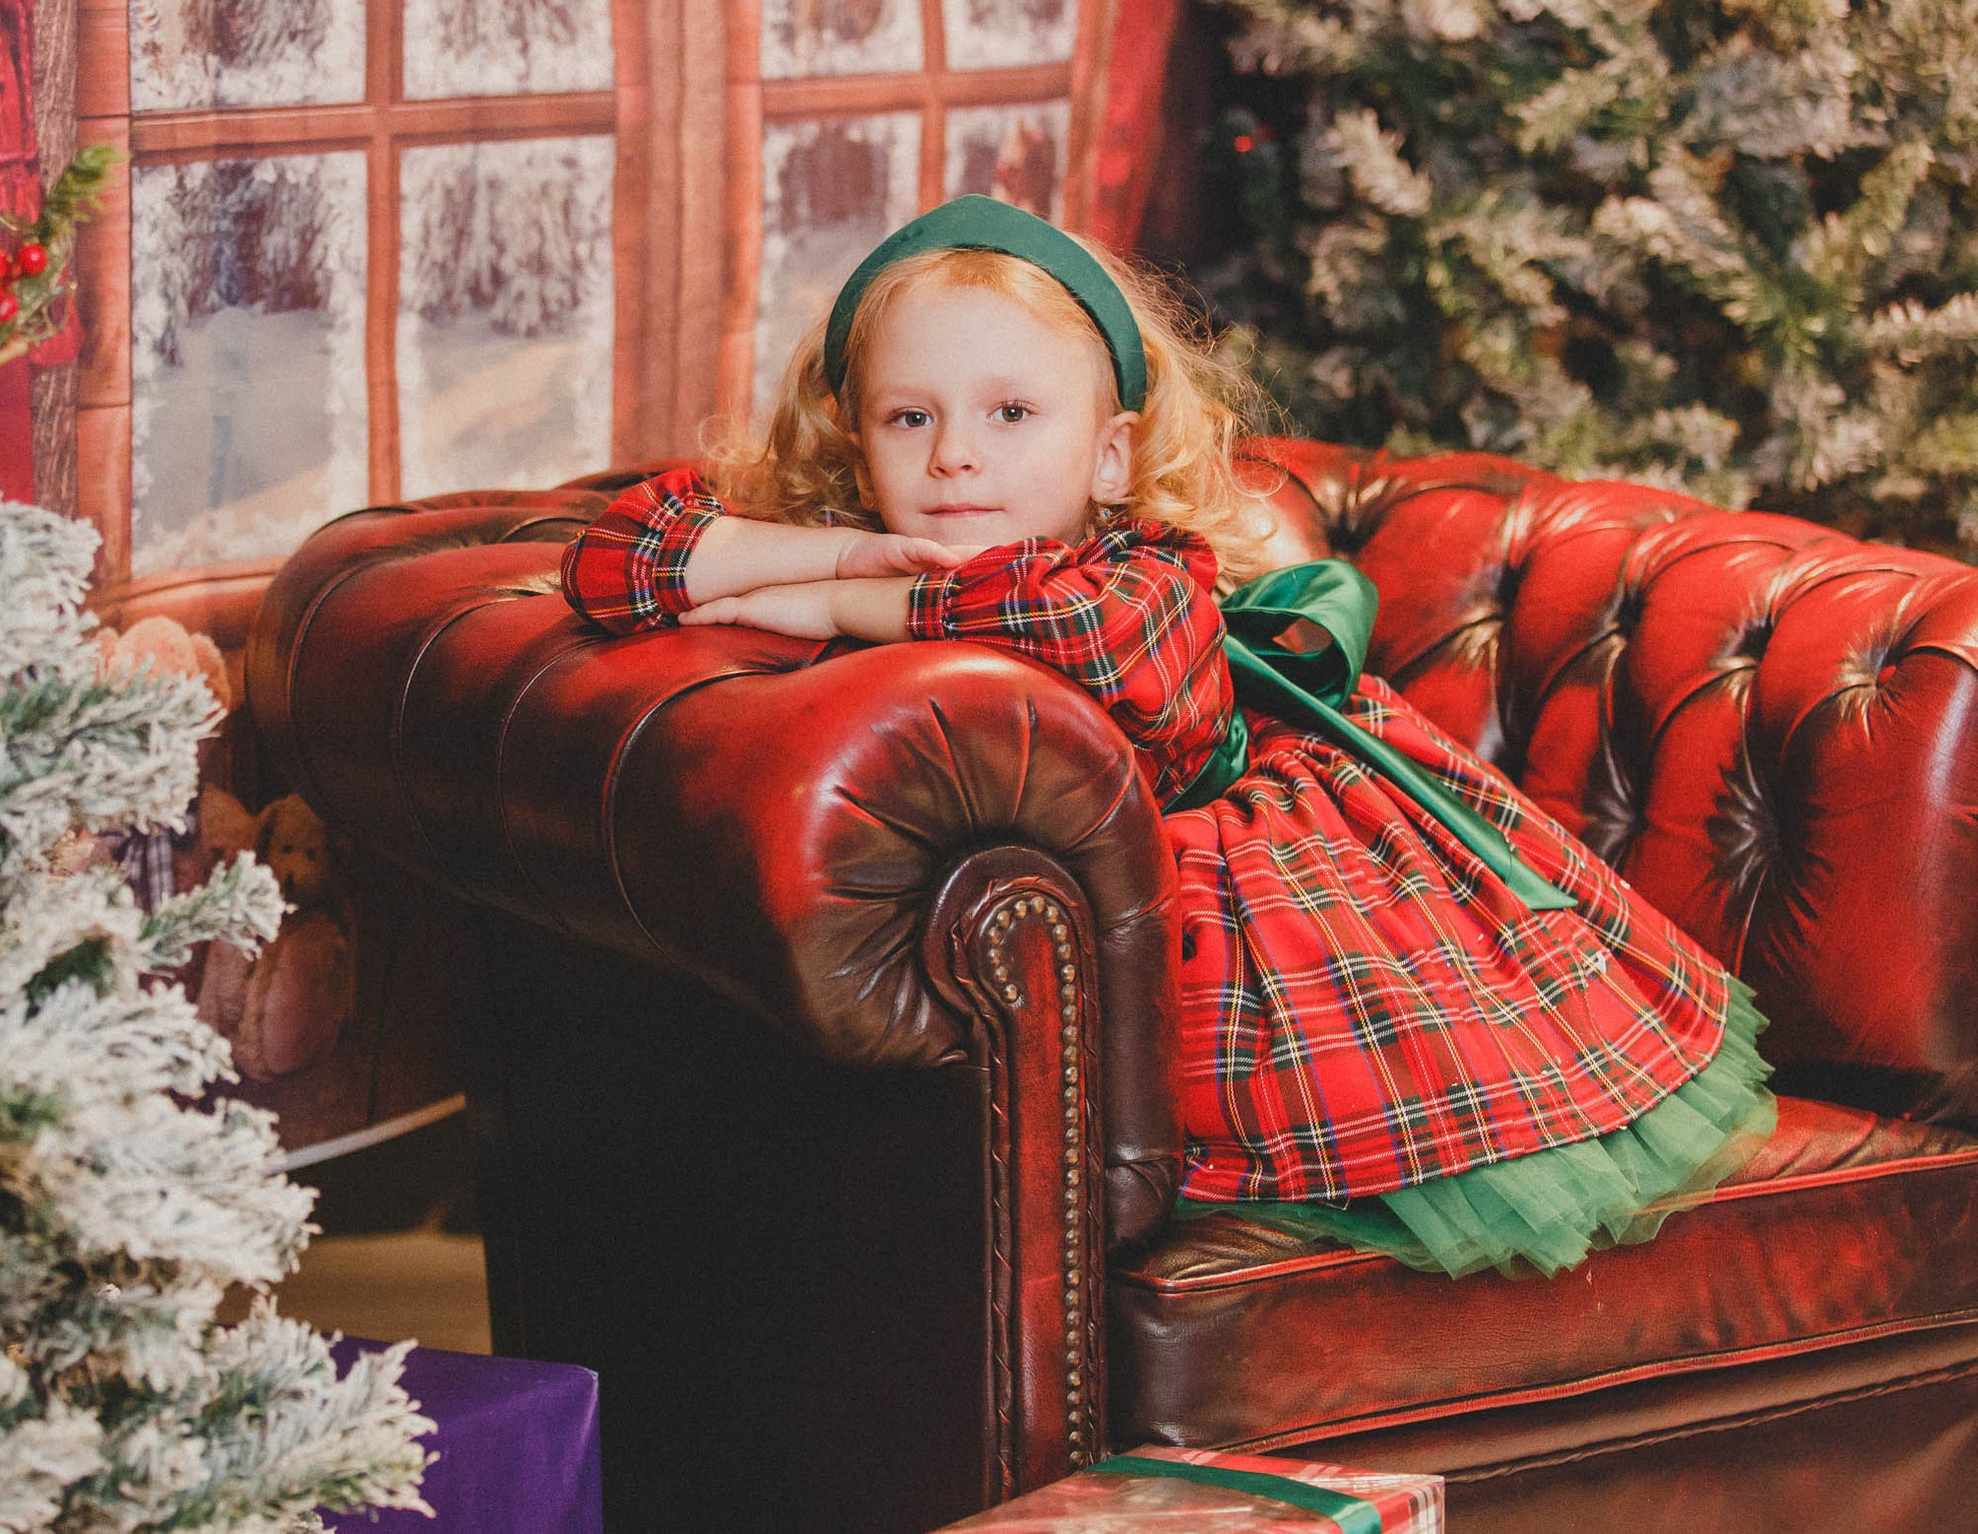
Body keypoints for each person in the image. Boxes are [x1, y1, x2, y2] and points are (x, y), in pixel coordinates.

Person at [557, 194, 1774, 1278]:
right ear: (856, 440)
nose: (955, 454)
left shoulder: (1143, 577)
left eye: (1010, 411)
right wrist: (833, 548)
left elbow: (1072, 635)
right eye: (907, 416)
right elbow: (612, 562)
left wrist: (838, 600)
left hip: (1268, 882)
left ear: (1109, 454)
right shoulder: (868, 539)